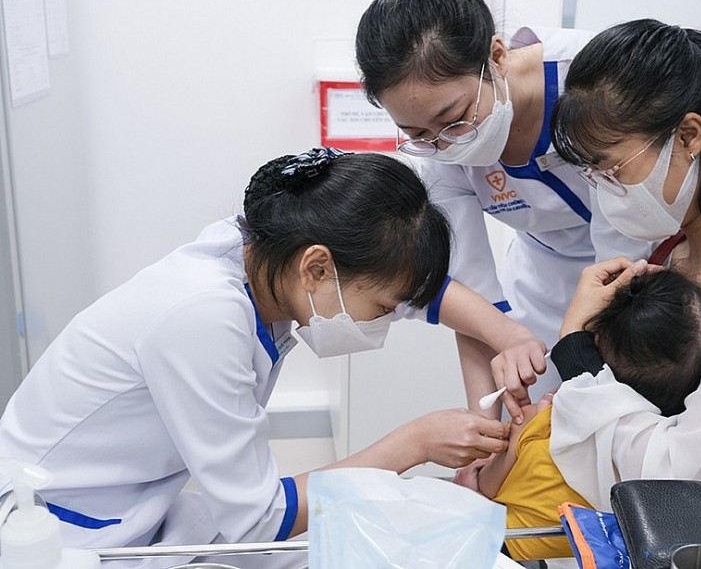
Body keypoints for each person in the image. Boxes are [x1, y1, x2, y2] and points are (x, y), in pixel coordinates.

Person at [0, 147, 511, 566]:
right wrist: (416, 443)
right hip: (58, 530)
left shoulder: (263, 249)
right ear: (316, 269)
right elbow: (259, 519)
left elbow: (415, 293)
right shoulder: (203, 317)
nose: (387, 320)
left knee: (341, 546)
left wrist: (510, 336)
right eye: (382, 309)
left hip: (139, 506)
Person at [355, 0, 651, 422]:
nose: (443, 144)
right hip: (541, 279)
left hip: (644, 267)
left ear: (497, 56)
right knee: (533, 419)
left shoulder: (594, 79)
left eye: (455, 118)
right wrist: (484, 426)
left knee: (624, 412)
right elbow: (472, 296)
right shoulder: (439, 149)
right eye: (417, 133)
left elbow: (623, 262)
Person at [542, 19, 701, 526]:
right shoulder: (667, 254)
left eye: (611, 169)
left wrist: (577, 353)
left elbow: (676, 488)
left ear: (689, 136)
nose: (603, 190)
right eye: (591, 174)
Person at [459, 268, 701, 561]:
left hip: (510, 550)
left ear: (592, 346)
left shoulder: (540, 421)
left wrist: (493, 460)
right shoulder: (670, 450)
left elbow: (484, 487)